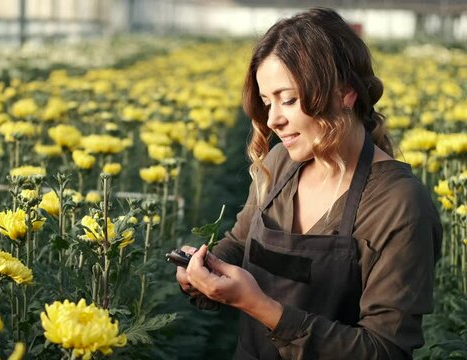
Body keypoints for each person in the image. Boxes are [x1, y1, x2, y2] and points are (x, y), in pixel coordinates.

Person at [175, 7, 442, 360]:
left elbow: (385, 349)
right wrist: (203, 268)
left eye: (288, 99)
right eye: (267, 102)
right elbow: (241, 243)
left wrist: (258, 306)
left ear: (345, 92)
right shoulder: (281, 164)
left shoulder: (399, 204)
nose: (273, 120)